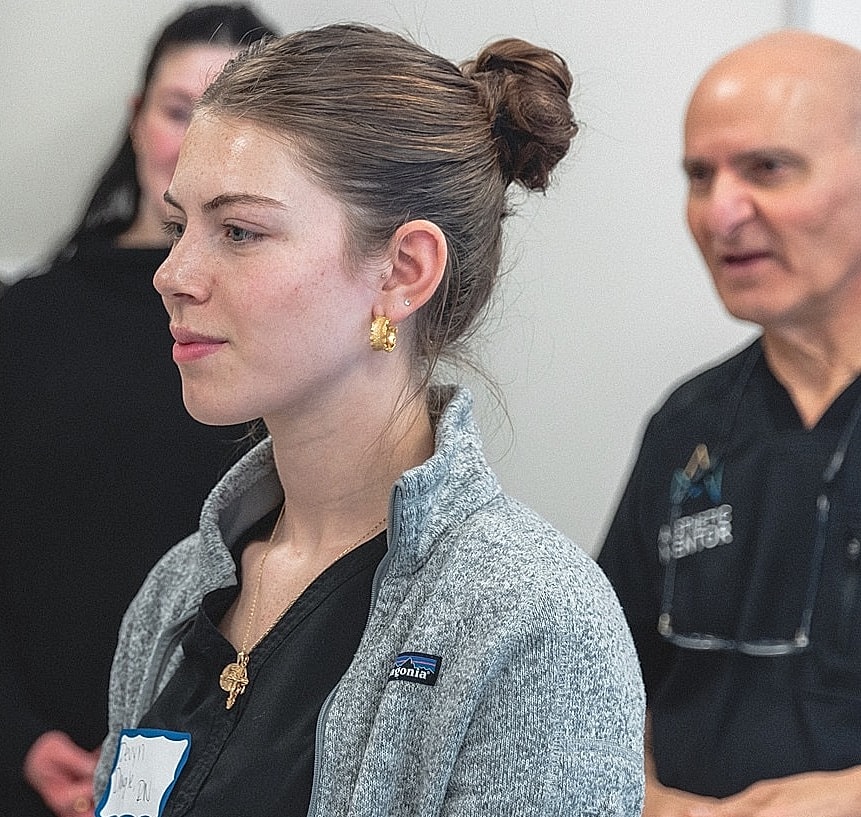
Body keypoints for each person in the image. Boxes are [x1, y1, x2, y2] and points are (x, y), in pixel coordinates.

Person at [93, 23, 644, 817]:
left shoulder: (529, 617)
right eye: (180, 227)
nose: (172, 275)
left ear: (402, 271)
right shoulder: (176, 593)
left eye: (238, 231)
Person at [0, 6, 277, 817]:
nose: (194, 144)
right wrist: (23, 738)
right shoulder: (31, 320)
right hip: (44, 776)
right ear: (136, 118)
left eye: (233, 121)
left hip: (239, 778)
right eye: (180, 111)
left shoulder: (288, 340)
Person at [596, 30, 861, 817]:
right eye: (697, 176)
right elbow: (606, 675)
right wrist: (641, 797)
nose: (720, 212)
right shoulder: (689, 426)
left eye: (766, 169)